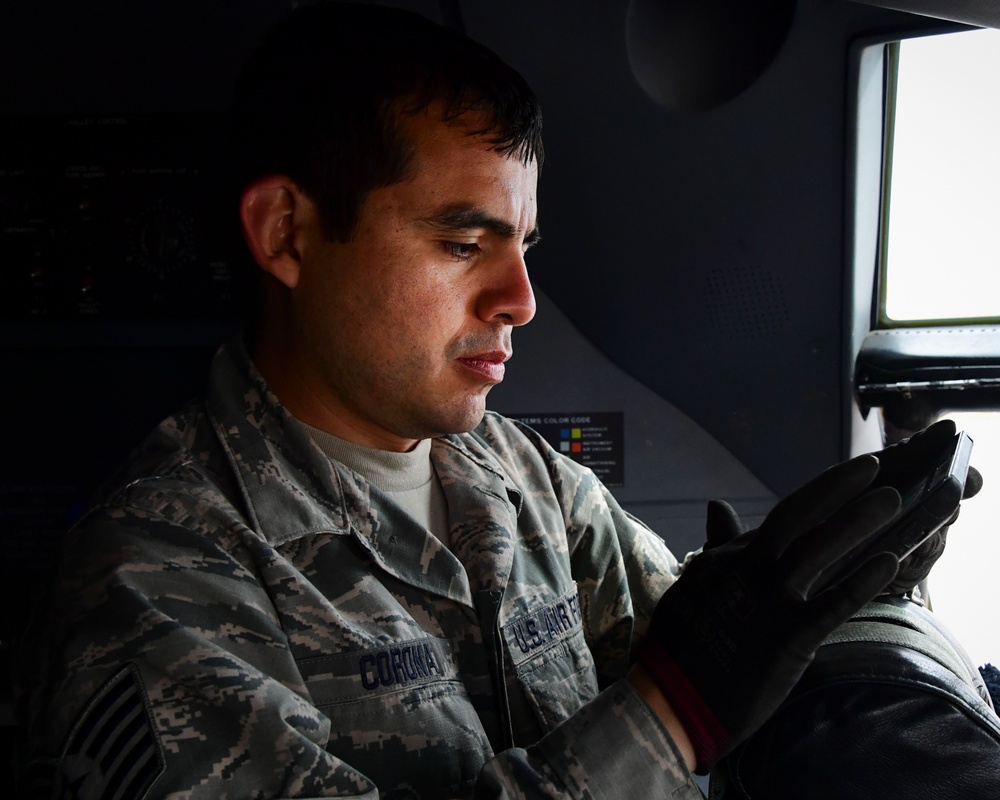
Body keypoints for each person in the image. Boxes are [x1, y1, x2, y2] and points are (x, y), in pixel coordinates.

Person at [12, 3, 980, 798]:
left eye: (525, 248)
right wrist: (671, 714)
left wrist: (864, 607)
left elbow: (704, 638)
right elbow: (683, 693)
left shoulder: (512, 474)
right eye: (464, 244)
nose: (517, 300)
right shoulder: (156, 571)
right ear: (286, 233)